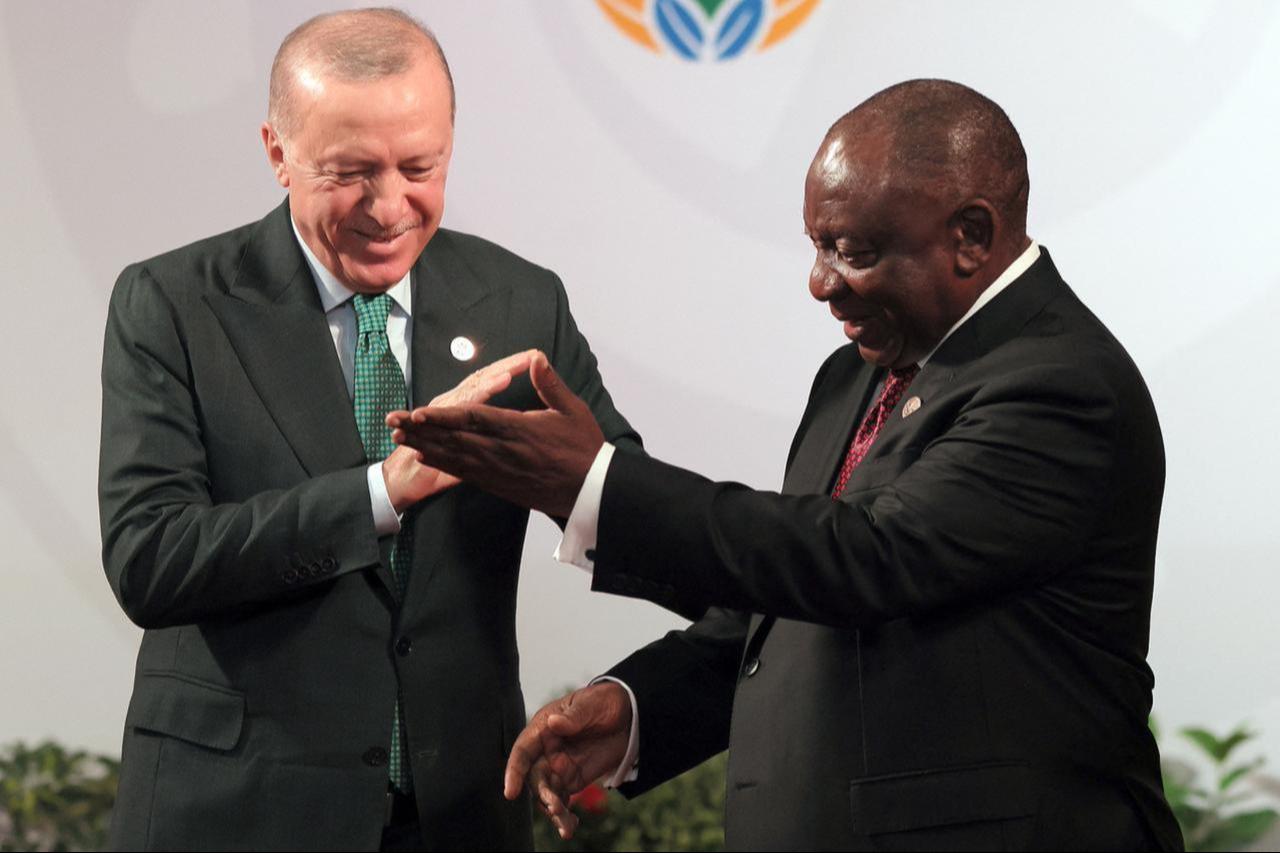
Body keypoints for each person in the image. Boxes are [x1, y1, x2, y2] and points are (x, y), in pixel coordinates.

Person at [390, 80, 1185, 850]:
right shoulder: (857, 374)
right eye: (816, 245)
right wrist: (638, 707)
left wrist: (594, 483)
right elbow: (787, 605)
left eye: (854, 251)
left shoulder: (1059, 384)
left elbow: (864, 559)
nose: (820, 283)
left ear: (971, 235)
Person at [98, 9, 639, 851]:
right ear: (279, 152)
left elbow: (624, 499)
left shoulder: (522, 301)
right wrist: (381, 493)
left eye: (420, 166)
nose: (390, 208)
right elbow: (150, 557)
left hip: (459, 811)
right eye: (350, 172)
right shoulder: (172, 305)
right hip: (236, 812)